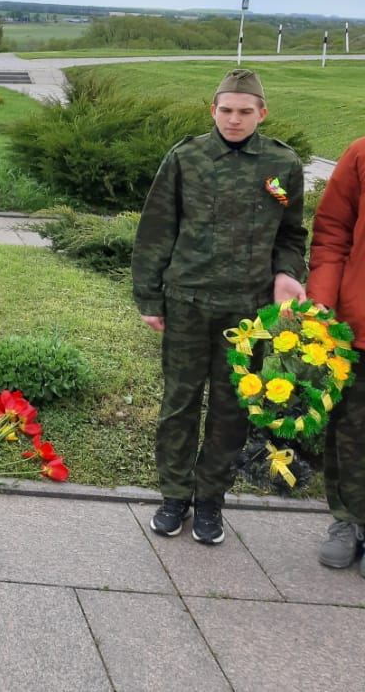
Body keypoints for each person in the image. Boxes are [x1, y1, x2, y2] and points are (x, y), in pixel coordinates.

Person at [133, 68, 307, 545]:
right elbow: (156, 231)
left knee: (232, 409)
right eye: (226, 110)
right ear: (213, 110)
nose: (234, 119)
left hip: (248, 312)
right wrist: (149, 297)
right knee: (180, 404)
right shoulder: (186, 158)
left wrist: (289, 274)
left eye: (245, 111)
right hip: (187, 302)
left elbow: (292, 233)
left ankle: (210, 502)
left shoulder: (281, 164)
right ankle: (173, 497)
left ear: (262, 113)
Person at [306, 136, 365, 572]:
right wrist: (323, 301)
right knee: (349, 433)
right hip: (357, 326)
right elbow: (331, 234)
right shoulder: (361, 153)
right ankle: (348, 519)